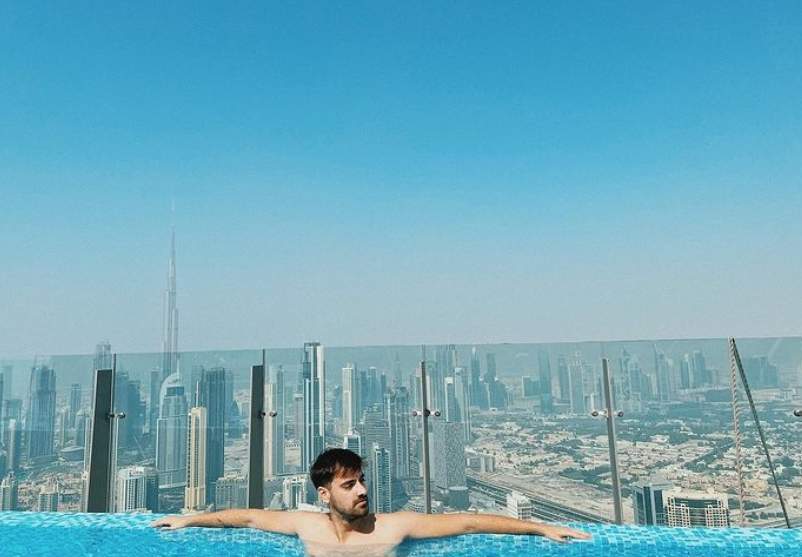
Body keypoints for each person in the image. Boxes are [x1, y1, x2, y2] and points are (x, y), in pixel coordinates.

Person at [152, 448, 590, 556]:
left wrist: (538, 528)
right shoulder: (307, 526)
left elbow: (467, 523)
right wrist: (188, 522)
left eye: (361, 481)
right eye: (349, 486)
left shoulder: (393, 527)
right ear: (324, 495)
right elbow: (245, 517)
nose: (362, 490)